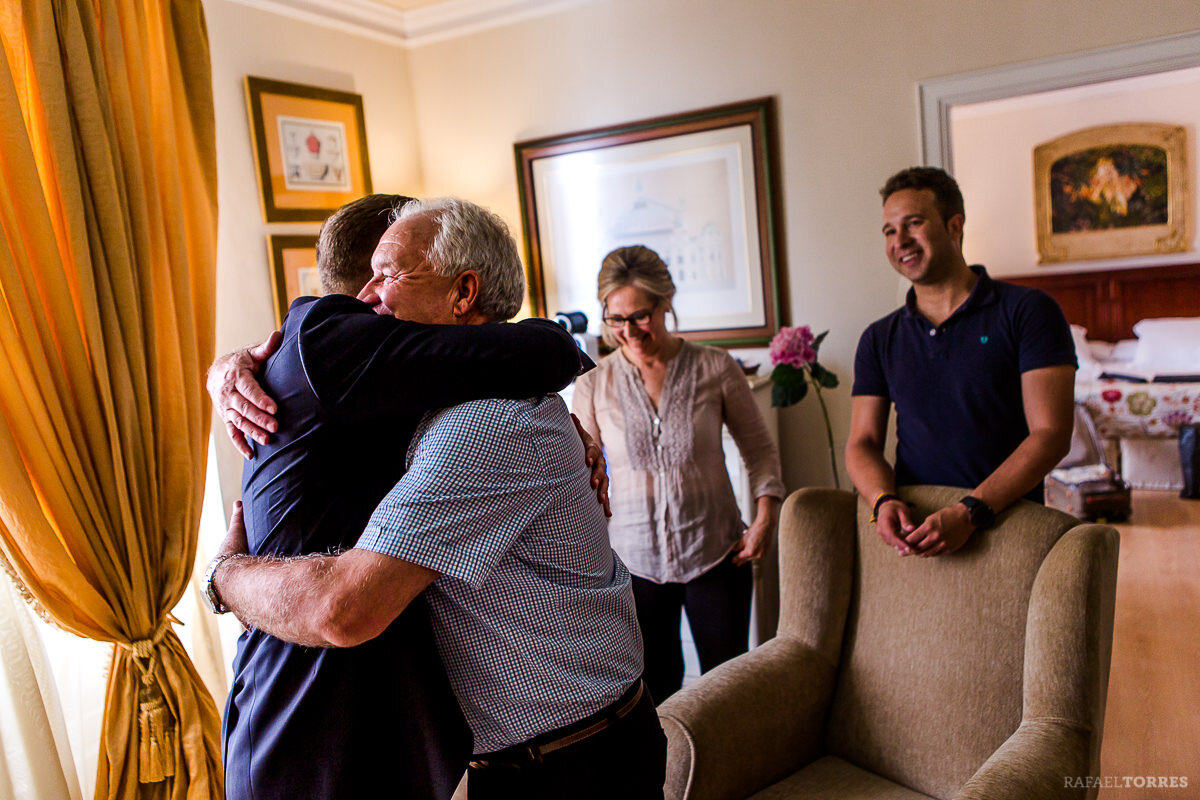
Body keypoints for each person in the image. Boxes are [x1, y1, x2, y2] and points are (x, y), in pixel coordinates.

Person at [208, 198, 666, 800]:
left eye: (391, 273)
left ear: (463, 291)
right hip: (532, 752)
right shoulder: (421, 401)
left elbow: (343, 609)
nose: (365, 299)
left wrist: (225, 575)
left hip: (575, 763)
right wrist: (231, 365)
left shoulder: (486, 425)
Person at [571, 245, 786, 707]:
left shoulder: (715, 368)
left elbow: (761, 453)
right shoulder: (592, 384)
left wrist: (766, 516)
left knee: (726, 693)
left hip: (716, 554)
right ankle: (671, 783)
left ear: (665, 303)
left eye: (641, 316)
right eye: (616, 320)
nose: (629, 332)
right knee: (655, 697)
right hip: (633, 566)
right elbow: (583, 478)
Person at [845, 166, 1076, 559]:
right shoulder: (878, 338)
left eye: (913, 224)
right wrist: (881, 500)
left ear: (954, 226)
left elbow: (1051, 433)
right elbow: (862, 442)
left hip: (1009, 527)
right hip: (916, 537)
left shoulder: (1029, 312)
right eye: (889, 230)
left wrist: (971, 512)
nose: (899, 240)